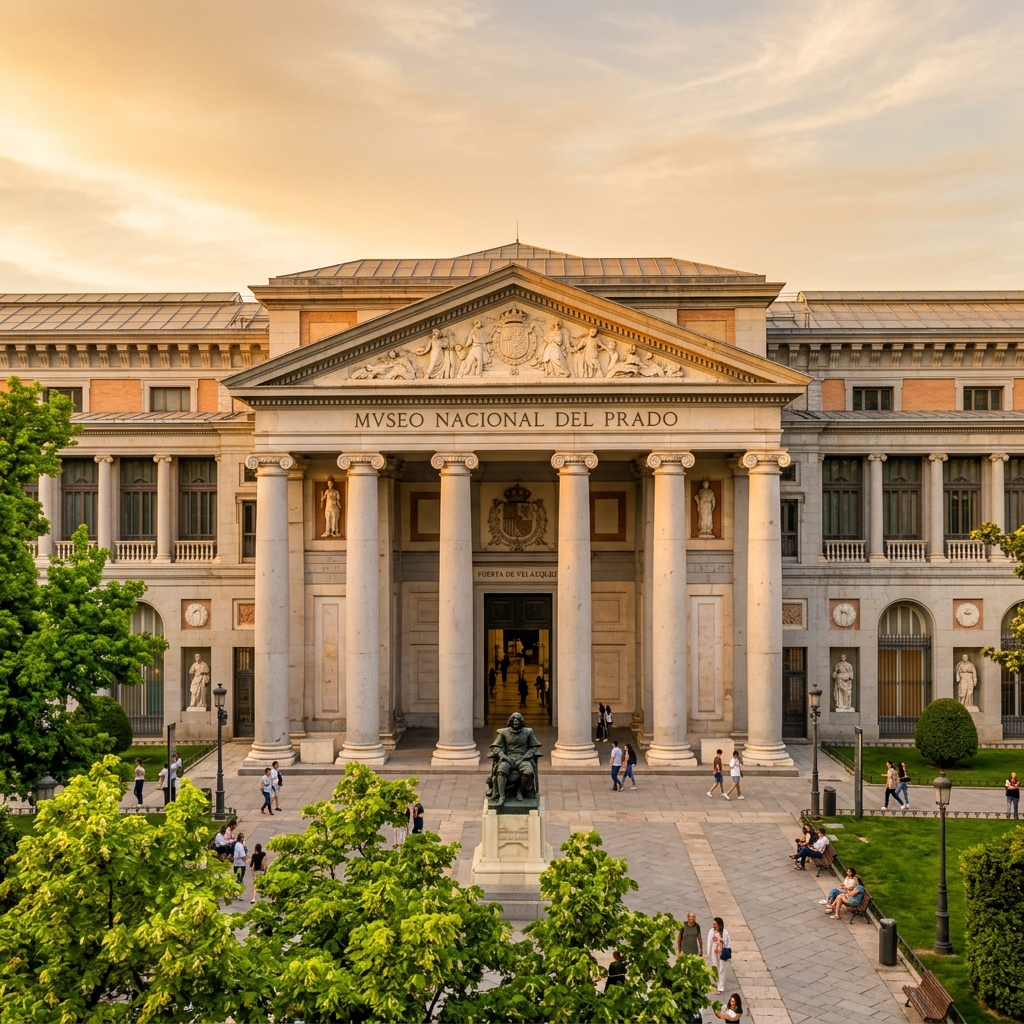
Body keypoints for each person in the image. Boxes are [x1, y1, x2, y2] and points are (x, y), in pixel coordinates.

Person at [708, 917, 729, 993]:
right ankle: (716, 983)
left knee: (721, 968)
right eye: (713, 924)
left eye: (715, 924)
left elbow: (727, 943)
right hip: (714, 951)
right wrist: (708, 953)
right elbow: (709, 942)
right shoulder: (711, 931)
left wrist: (721, 941)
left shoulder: (724, 932)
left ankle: (721, 987)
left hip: (721, 951)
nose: (714, 925)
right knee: (715, 967)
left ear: (719, 924)